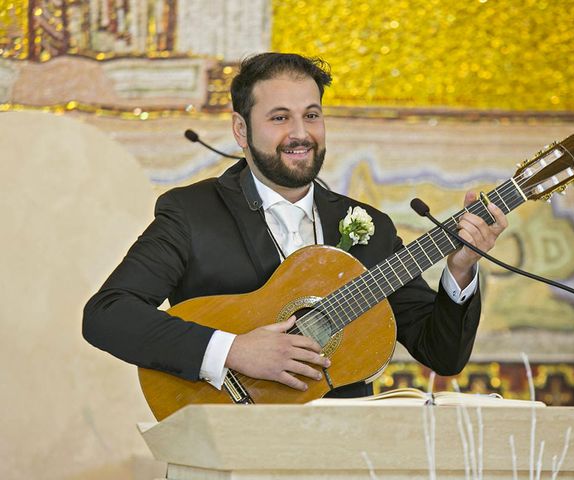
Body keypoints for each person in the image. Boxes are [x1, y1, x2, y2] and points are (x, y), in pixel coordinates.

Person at [83, 52, 507, 399]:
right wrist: (234, 351)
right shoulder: (191, 213)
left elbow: (443, 355)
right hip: (229, 442)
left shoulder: (369, 227)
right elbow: (107, 315)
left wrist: (461, 269)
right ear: (241, 130)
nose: (301, 133)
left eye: (312, 115)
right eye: (280, 118)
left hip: (339, 456)